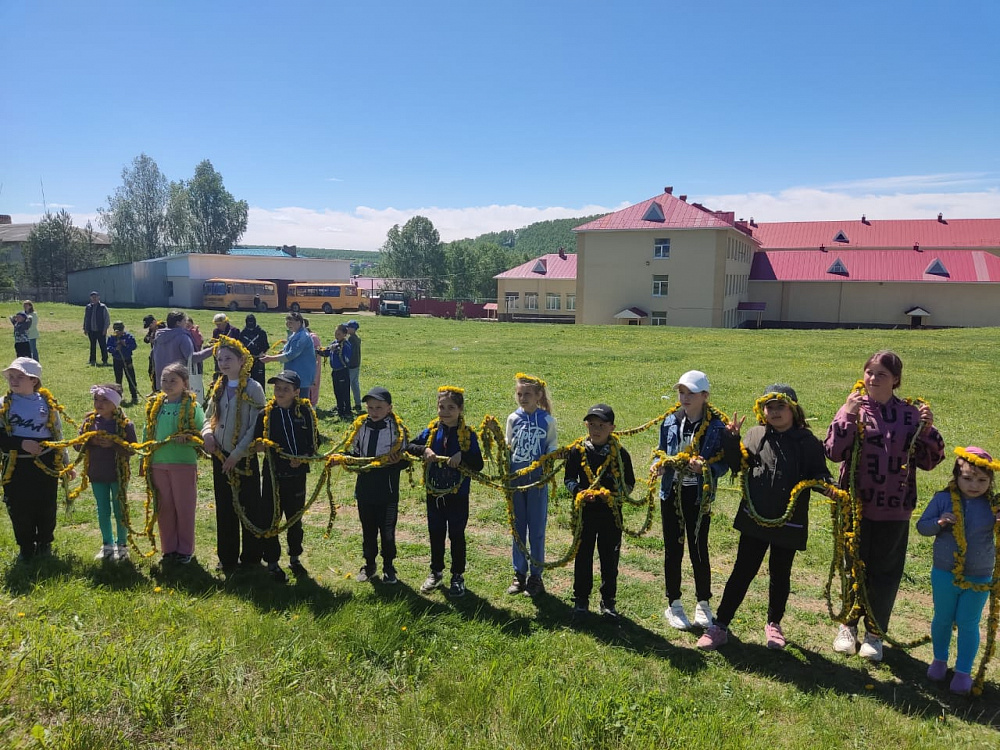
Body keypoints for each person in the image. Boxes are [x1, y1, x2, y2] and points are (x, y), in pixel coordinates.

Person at [826, 350, 945, 661]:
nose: (873, 378)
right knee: (853, 567)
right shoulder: (854, 407)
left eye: (882, 374)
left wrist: (928, 429)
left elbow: (930, 460)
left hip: (895, 507)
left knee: (885, 573)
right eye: (869, 372)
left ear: (896, 380)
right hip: (856, 506)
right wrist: (848, 415)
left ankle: (874, 634)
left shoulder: (909, 414)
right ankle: (848, 626)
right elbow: (833, 452)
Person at [697, 385, 831, 650]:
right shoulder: (756, 434)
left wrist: (828, 486)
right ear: (762, 410)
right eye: (770, 407)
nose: (775, 412)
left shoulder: (808, 442)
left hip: (788, 522)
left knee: (780, 574)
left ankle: (774, 623)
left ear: (794, 410)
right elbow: (738, 464)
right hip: (755, 519)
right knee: (742, 571)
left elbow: (818, 473)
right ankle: (720, 625)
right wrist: (731, 439)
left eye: (781, 406)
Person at [917, 447, 1000, 695]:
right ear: (956, 476)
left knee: (968, 622)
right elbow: (922, 526)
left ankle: (963, 672)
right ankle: (939, 660)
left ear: (991, 481)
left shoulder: (994, 505)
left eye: (982, 480)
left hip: (979, 574)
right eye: (968, 478)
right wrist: (939, 522)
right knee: (943, 617)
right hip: (945, 571)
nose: (974, 485)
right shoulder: (943, 499)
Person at [657, 370, 731, 631]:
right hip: (672, 494)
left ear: (705, 396)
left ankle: (703, 604)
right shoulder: (670, 421)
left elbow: (724, 463)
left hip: (699, 496)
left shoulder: (716, 427)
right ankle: (674, 604)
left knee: (699, 549)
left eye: (691, 393)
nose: (685, 397)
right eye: (681, 392)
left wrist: (706, 468)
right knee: (673, 549)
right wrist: (659, 464)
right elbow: (661, 452)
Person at [200, 339, 280, 580]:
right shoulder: (219, 385)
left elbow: (256, 425)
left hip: (243, 457)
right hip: (219, 454)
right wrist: (207, 434)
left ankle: (251, 556)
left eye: (229, 359)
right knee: (224, 506)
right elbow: (208, 415)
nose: (224, 363)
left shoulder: (253, 388)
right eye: (220, 359)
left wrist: (237, 454)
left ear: (242, 360)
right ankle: (227, 557)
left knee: (248, 505)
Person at [409, 386, 484, 598]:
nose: (445, 412)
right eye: (441, 407)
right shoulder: (432, 430)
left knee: (457, 535)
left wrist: (462, 455)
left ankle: (457, 576)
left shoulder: (467, 435)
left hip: (458, 495)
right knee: (436, 533)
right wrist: (424, 449)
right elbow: (409, 446)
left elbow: (478, 464)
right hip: (434, 493)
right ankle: (436, 572)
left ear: (460, 409)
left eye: (451, 407)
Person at [563, 404, 636, 619]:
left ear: (612, 427)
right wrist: (579, 492)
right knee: (583, 555)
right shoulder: (578, 451)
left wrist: (612, 495)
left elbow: (629, 484)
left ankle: (608, 601)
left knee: (609, 557)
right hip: (585, 513)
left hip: (610, 515)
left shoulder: (620, 454)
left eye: (601, 425)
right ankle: (581, 599)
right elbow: (568, 478)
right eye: (591, 424)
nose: (596, 429)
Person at [0, 357, 73, 562]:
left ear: (34, 380)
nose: (13, 380)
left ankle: (44, 543)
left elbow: (57, 434)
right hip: (17, 463)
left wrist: (66, 463)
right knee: (19, 505)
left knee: (46, 503)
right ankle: (25, 546)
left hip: (46, 461)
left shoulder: (47, 404)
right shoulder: (4, 404)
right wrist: (21, 443)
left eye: (20, 377)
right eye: (11, 377)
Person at [253, 370, 317, 577]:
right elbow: (256, 444)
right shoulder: (265, 414)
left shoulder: (305, 412)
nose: (280, 392)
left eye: (286, 389)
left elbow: (314, 443)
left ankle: (294, 558)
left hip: (297, 477)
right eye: (277, 388)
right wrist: (262, 445)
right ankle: (272, 561)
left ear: (296, 392)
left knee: (294, 519)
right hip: (273, 475)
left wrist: (303, 457)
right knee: (271, 518)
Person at [141, 362, 204, 564]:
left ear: (185, 383)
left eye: (173, 381)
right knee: (164, 507)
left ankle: (185, 550)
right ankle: (168, 549)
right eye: (164, 380)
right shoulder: (155, 406)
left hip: (183, 464)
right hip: (158, 463)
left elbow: (201, 434)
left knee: (184, 508)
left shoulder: (192, 407)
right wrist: (144, 458)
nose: (167, 384)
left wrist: (188, 438)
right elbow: (147, 431)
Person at [505, 372, 558, 597]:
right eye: (519, 394)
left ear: (538, 396)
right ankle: (519, 574)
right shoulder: (512, 419)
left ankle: (536, 576)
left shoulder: (547, 421)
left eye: (527, 394)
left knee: (536, 530)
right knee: (518, 528)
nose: (523, 398)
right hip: (516, 482)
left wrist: (550, 460)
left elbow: (552, 446)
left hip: (537, 482)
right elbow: (508, 445)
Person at [349, 387, 407, 584]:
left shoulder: (397, 430)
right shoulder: (360, 427)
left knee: (387, 531)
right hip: (365, 489)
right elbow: (354, 452)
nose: (374, 411)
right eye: (370, 407)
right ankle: (369, 564)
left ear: (389, 408)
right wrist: (345, 459)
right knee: (368, 530)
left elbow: (406, 458)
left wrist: (397, 461)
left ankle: (389, 567)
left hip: (387, 491)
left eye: (379, 407)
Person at [79, 384, 136, 562]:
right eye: (96, 399)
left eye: (104, 400)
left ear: (115, 403)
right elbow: (77, 445)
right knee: (102, 510)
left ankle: (122, 545)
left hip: (118, 475)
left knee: (120, 510)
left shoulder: (124, 425)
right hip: (97, 473)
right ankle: (107, 544)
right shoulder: (89, 423)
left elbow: (132, 449)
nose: (99, 403)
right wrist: (91, 441)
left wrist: (114, 444)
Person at [259, 312, 315, 400]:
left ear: (299, 322)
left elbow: (291, 355)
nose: (288, 325)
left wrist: (270, 359)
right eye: (287, 322)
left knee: (301, 402)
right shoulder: (295, 334)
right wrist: (281, 352)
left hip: (301, 376)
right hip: (294, 374)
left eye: (291, 322)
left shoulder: (303, 336)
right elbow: (288, 350)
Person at [152, 311, 194, 392]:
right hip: (177, 378)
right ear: (178, 323)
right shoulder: (182, 337)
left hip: (162, 378)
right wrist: (212, 349)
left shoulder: (159, 336)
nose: (186, 323)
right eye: (184, 321)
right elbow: (191, 358)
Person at [106, 321, 140, 404]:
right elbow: (108, 347)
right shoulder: (112, 337)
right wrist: (115, 349)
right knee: (118, 379)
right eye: (117, 330)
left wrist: (125, 345)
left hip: (127, 360)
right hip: (117, 360)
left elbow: (134, 346)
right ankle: (118, 396)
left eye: (120, 330)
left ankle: (134, 396)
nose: (119, 332)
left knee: (131, 377)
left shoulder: (128, 336)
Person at [326, 324, 353, 421]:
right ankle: (340, 409)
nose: (336, 336)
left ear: (345, 334)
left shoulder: (346, 345)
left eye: (339, 334)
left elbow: (347, 359)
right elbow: (327, 351)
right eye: (335, 333)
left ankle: (347, 411)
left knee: (344, 392)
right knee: (337, 391)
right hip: (335, 371)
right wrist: (320, 351)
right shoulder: (334, 343)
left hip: (342, 371)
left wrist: (338, 350)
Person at [239, 313, 270, 389]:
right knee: (247, 380)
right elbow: (240, 346)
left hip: (259, 359)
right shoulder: (243, 333)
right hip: (247, 360)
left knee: (259, 380)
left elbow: (265, 346)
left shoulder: (261, 332)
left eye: (252, 322)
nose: (250, 324)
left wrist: (260, 354)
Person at [82, 291, 111, 366]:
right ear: (90, 298)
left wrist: (105, 329)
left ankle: (105, 360)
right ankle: (92, 360)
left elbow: (107, 319)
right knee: (92, 346)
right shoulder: (88, 307)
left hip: (100, 330)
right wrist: (85, 328)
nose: (94, 299)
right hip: (91, 330)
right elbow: (86, 318)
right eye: (93, 297)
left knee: (103, 346)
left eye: (95, 297)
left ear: (98, 298)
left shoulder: (102, 307)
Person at [142, 314, 166, 393]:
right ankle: (154, 390)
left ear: (154, 322)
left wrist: (154, 339)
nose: (150, 327)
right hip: (154, 353)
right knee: (151, 371)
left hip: (162, 354)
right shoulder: (151, 329)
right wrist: (150, 339)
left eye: (150, 325)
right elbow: (145, 339)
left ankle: (160, 389)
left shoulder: (162, 327)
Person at [304, 318, 322, 407]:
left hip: (312, 366)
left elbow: (316, 354)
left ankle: (312, 404)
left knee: (312, 385)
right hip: (305, 366)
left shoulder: (313, 338)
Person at [346, 319, 362, 413]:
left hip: (351, 364)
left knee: (348, 383)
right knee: (355, 384)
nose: (347, 329)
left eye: (348, 327)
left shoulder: (351, 339)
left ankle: (346, 403)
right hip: (356, 364)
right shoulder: (356, 338)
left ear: (353, 329)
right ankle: (358, 403)